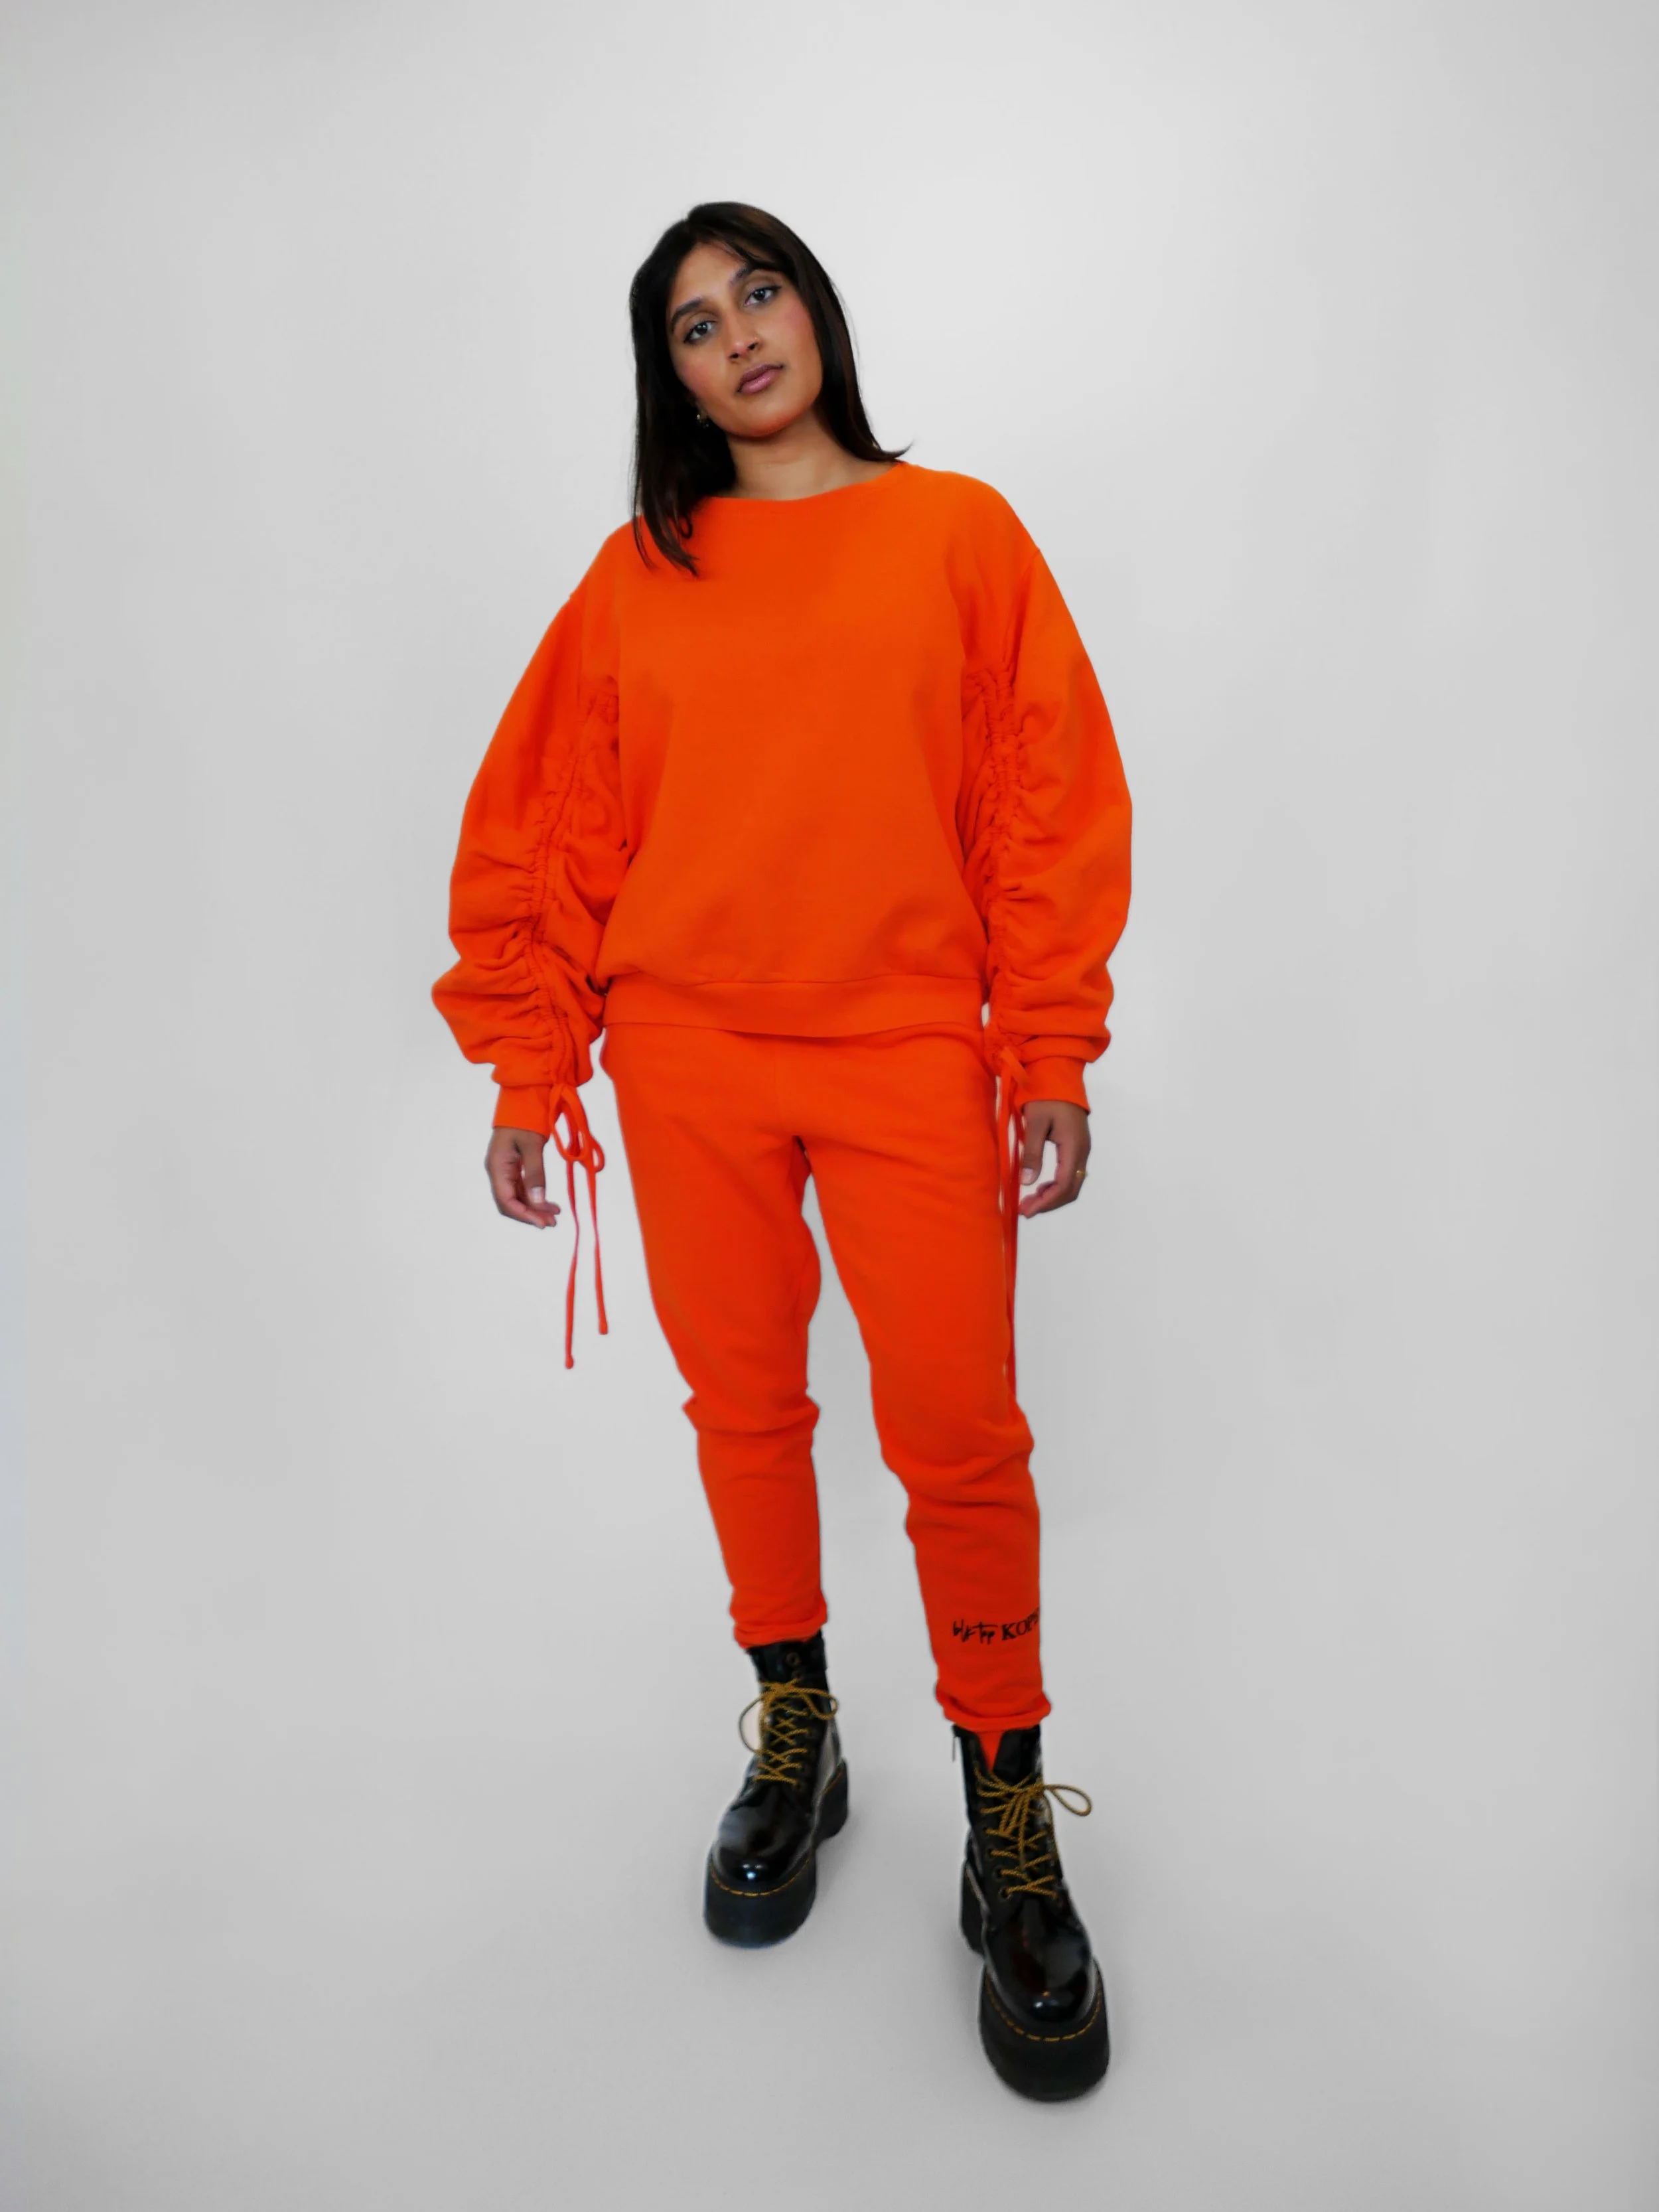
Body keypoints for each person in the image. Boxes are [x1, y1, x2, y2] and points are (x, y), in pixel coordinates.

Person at [432, 202, 1132, 2102]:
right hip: (686, 1056)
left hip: (906, 1047)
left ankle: (1005, 1808)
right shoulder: (637, 577)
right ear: (665, 379)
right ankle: (795, 1725)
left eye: (759, 293)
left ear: (815, 311)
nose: (736, 334)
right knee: (743, 1405)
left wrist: (1049, 1045)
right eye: (691, 323)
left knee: (960, 1432)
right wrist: (529, 1072)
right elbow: (555, 828)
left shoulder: (958, 534)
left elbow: (1039, 797)